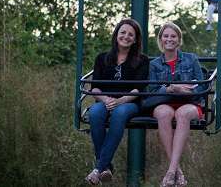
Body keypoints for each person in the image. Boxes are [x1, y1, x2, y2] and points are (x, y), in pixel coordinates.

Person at [85, 18, 149, 185]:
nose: (126, 36)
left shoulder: (142, 60)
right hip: (105, 101)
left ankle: (98, 168)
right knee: (95, 112)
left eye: (130, 34)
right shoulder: (102, 58)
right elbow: (95, 87)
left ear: (135, 39)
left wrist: (120, 101)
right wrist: (105, 99)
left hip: (129, 103)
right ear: (116, 35)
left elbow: (138, 89)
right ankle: (106, 167)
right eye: (123, 32)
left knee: (119, 114)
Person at [148, 22, 205, 187]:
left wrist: (188, 92)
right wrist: (170, 88)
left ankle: (171, 171)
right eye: (165, 36)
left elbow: (202, 85)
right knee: (164, 114)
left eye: (173, 36)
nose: (169, 39)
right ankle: (176, 170)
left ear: (179, 39)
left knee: (183, 114)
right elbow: (151, 90)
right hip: (163, 102)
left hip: (189, 102)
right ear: (161, 39)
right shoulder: (154, 65)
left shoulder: (191, 59)